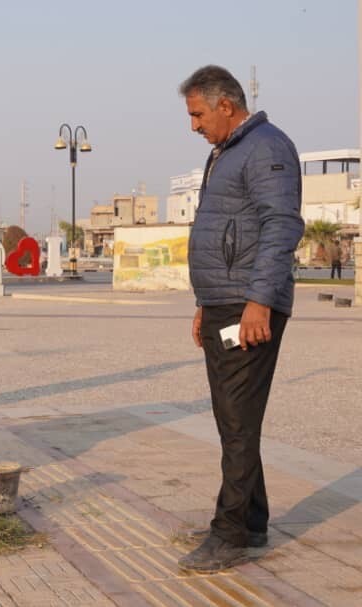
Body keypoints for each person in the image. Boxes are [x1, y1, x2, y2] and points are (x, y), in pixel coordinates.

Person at [178, 65, 304, 573]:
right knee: (236, 420)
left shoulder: (267, 148)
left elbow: (281, 225)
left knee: (236, 424)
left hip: (249, 306)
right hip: (225, 302)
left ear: (225, 105)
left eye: (198, 114)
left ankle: (228, 534)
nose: (194, 126)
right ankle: (251, 524)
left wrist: (259, 301)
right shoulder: (226, 152)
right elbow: (227, 231)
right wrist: (205, 303)